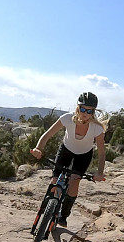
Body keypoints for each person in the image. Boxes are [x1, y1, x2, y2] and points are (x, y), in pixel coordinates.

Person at [30, 91, 107, 227]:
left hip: (83, 155)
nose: (85, 113)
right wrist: (38, 148)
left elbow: (101, 153)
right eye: (83, 109)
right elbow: (47, 135)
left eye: (89, 111)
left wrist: (100, 173)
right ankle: (48, 206)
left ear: (93, 112)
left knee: (74, 181)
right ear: (78, 108)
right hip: (66, 150)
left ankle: (63, 215)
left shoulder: (97, 128)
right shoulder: (67, 118)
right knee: (55, 180)